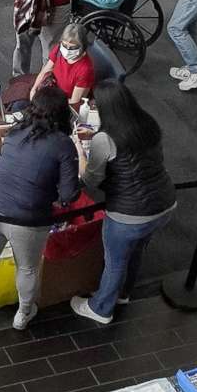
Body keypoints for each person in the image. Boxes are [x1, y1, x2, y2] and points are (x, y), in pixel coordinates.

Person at [0, 90, 80, 331]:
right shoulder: (63, 145)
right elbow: (69, 195)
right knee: (27, 267)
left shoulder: (16, 132)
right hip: (27, 219)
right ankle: (23, 315)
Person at [70, 79, 173, 326]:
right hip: (164, 202)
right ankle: (123, 294)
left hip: (129, 213)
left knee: (115, 260)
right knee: (136, 251)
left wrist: (80, 149)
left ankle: (101, 307)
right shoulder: (147, 124)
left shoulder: (105, 139)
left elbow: (90, 179)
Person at [37, 18, 97, 107]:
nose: (67, 50)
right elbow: (46, 70)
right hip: (54, 92)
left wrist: (49, 103)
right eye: (64, 45)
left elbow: (74, 101)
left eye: (72, 47)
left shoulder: (85, 69)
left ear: (82, 47)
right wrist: (34, 90)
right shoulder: (59, 50)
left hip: (64, 103)